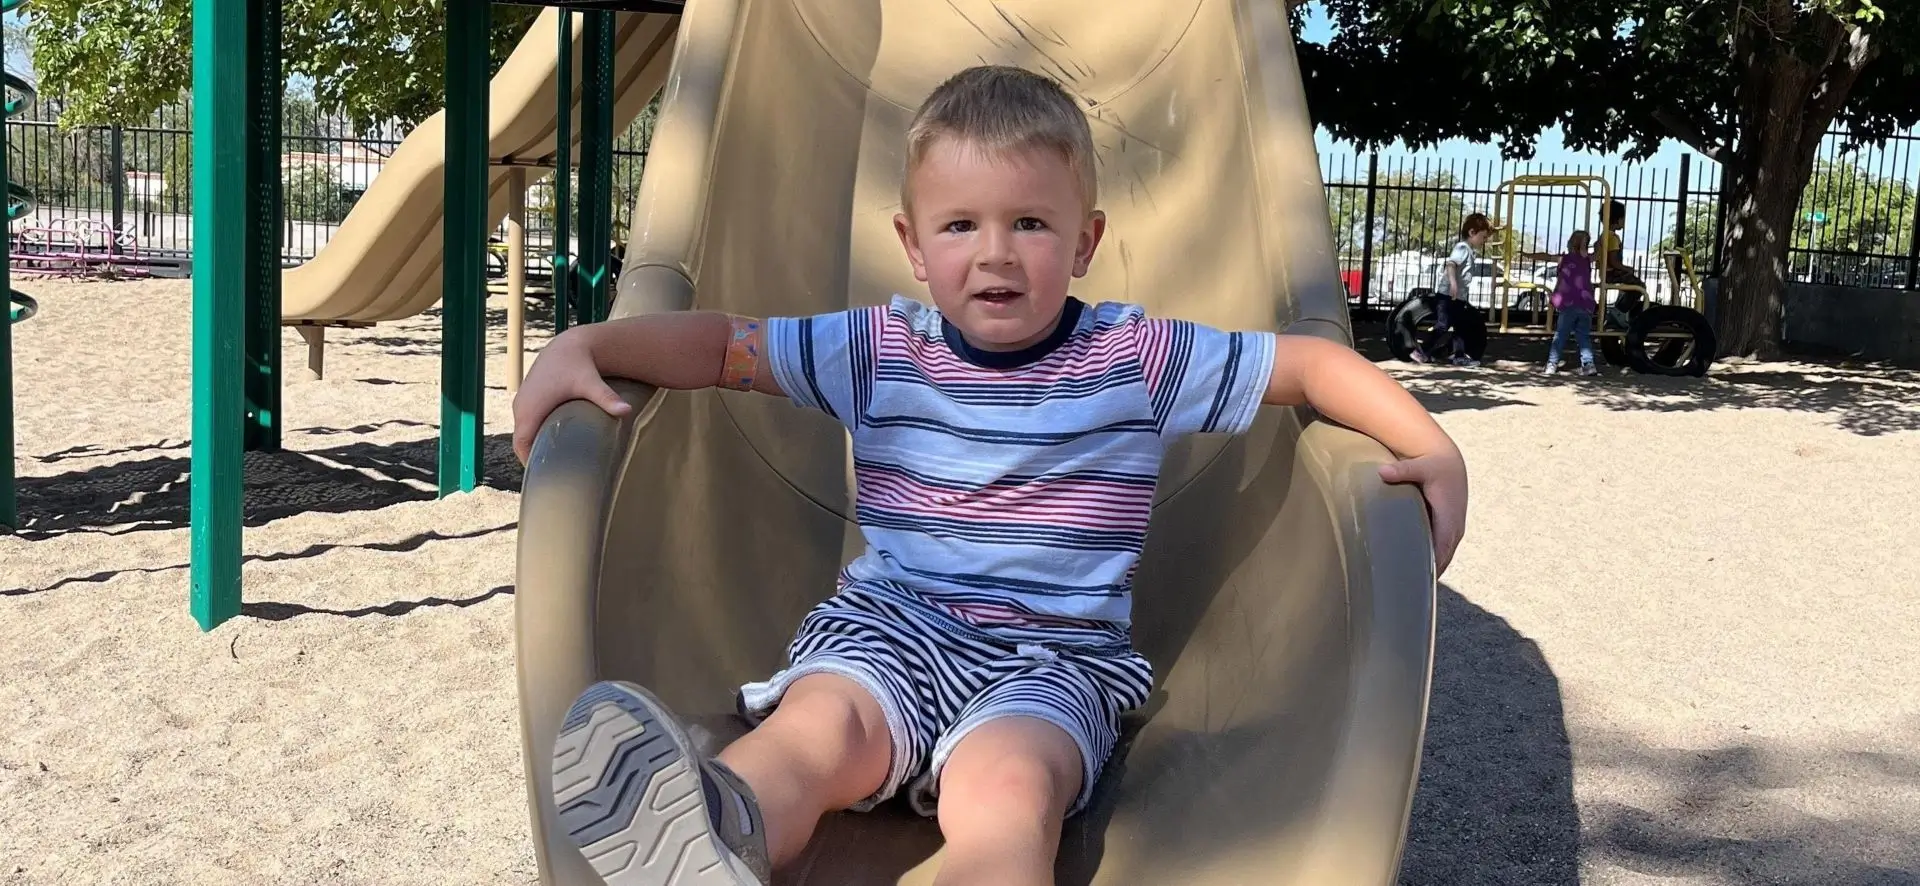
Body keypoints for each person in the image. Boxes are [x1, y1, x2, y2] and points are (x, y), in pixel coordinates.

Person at [512, 64, 1470, 886]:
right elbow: (724, 348)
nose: (996, 252)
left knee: (1009, 792)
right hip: (892, 629)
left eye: (1031, 224)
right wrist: (589, 343)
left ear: (1086, 242)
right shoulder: (877, 348)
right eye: (961, 225)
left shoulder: (1134, 355)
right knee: (821, 727)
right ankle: (721, 828)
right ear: (915, 248)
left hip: (1053, 663)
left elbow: (1303, 364)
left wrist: (1430, 441)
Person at [1414, 213, 1491, 367]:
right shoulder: (1462, 248)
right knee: (1443, 325)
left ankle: (1458, 355)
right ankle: (1422, 351)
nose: (1485, 241)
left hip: (1458, 298)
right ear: (1472, 232)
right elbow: (1450, 265)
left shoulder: (1468, 250)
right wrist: (1453, 283)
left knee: (1460, 327)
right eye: (1483, 237)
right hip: (1448, 296)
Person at [1529, 230, 1600, 375]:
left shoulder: (1564, 259)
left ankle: (1552, 364)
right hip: (1586, 303)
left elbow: (1546, 256)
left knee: (1560, 335)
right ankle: (1588, 364)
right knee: (1584, 336)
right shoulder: (1587, 259)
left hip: (1569, 303)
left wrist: (1527, 255)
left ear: (1570, 243)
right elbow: (1598, 251)